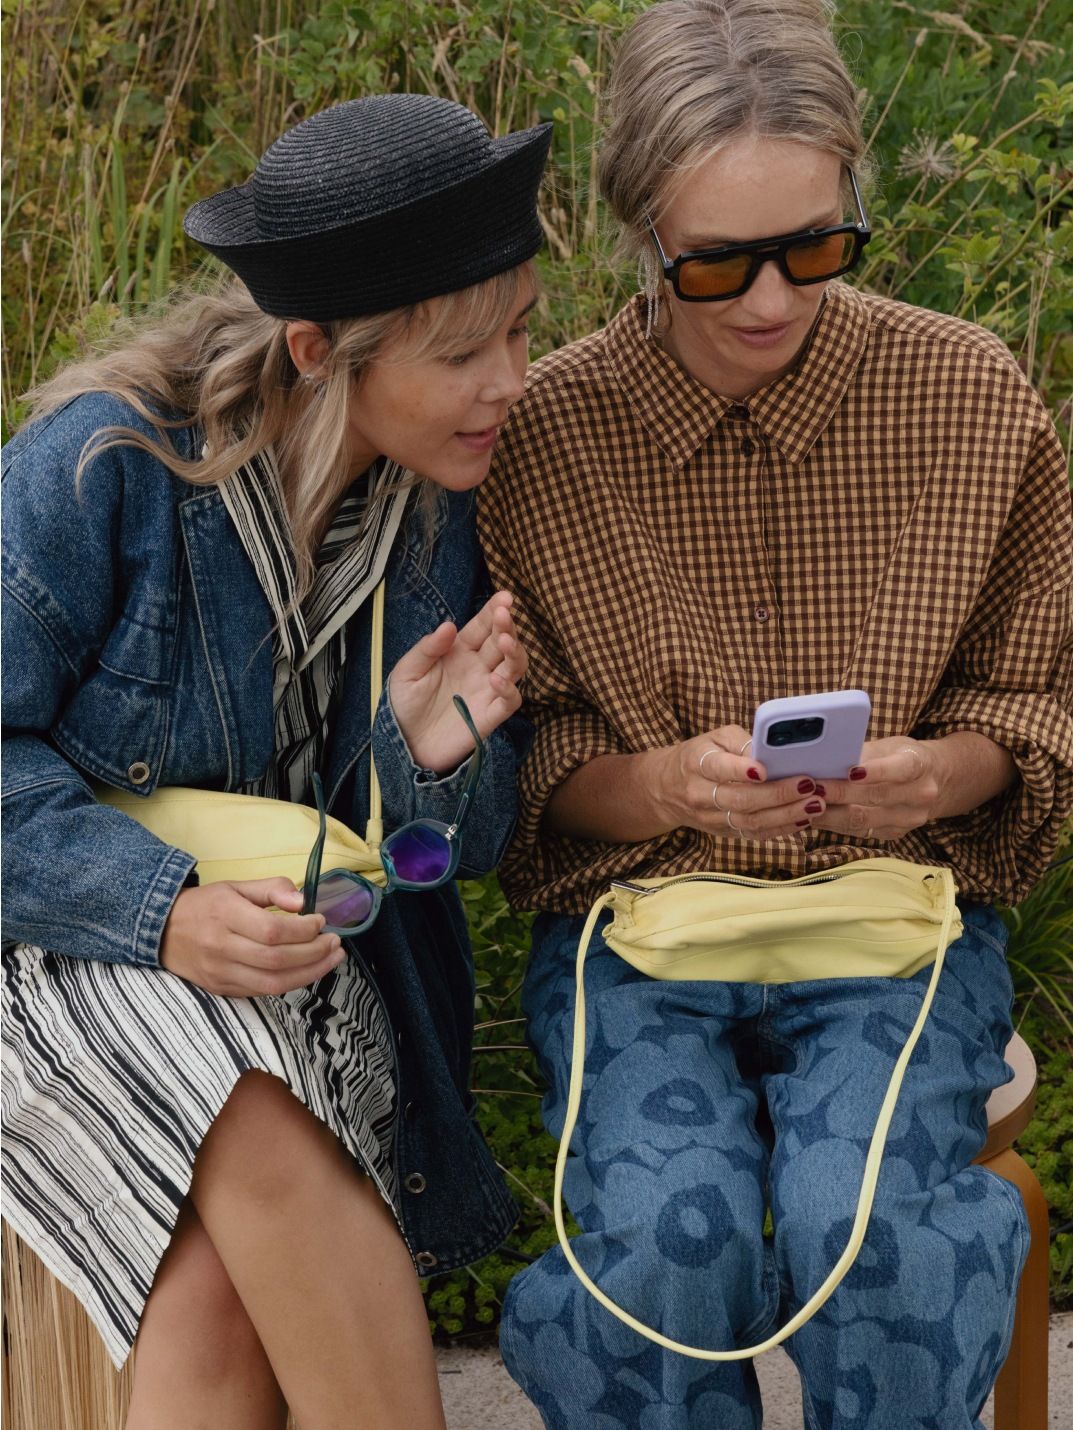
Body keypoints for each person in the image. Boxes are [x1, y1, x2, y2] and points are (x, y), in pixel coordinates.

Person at [476, 2, 1073, 1426]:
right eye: (716, 263)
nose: (767, 300)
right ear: (636, 232)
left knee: (866, 1225)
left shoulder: (966, 397)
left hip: (895, 916)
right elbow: (525, 759)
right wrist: (663, 789)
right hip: (642, 928)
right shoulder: (542, 435)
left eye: (814, 248)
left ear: (854, 199)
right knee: (661, 1247)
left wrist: (935, 777)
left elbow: (1037, 701)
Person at [1, 93, 551, 1429]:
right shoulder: (104, 468)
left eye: (523, 331)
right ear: (318, 348)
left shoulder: (443, 508)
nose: (511, 381)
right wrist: (163, 912)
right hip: (61, 946)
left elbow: (451, 855)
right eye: (466, 351)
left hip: (301, 968)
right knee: (244, 1099)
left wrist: (422, 762)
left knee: (212, 1288)